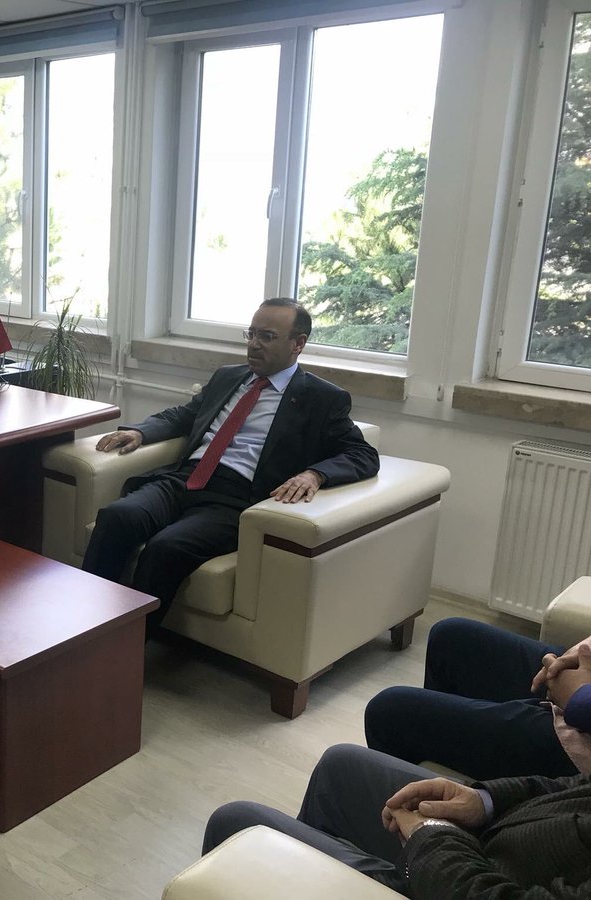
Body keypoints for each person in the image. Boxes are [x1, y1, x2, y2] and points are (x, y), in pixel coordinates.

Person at [81, 298, 379, 635]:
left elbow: (363, 454)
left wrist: (315, 474)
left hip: (235, 499)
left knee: (166, 547)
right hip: (184, 480)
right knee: (117, 516)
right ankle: (83, 628)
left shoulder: (322, 398)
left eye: (267, 336)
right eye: (251, 334)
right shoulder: (228, 377)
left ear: (298, 344)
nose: (254, 344)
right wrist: (140, 432)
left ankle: (124, 648)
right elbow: (185, 415)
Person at [202, 742, 591, 896]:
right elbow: (574, 786)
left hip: (468, 883)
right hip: (501, 837)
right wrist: (483, 800)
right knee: (340, 766)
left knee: (238, 825)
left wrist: (432, 836)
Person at [365, 617, 591, 780]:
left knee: (388, 712)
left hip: (580, 743)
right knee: (451, 637)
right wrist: (580, 653)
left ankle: (429, 823)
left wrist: (576, 694)